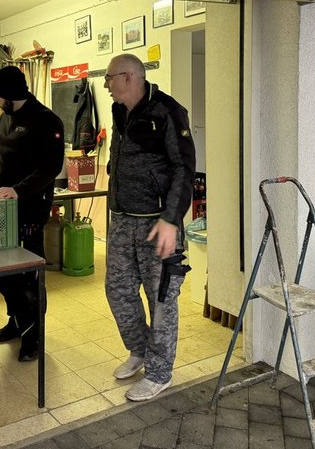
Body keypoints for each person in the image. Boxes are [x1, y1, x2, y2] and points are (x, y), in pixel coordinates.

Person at [103, 54, 195, 401]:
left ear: (128, 77)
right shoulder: (119, 111)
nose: (107, 85)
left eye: (109, 78)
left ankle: (159, 372)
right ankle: (140, 350)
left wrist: (171, 219)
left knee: (161, 300)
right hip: (122, 219)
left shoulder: (168, 112)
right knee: (118, 290)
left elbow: (184, 169)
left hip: (158, 223)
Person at [0, 65, 64, 361]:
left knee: (28, 275)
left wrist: (18, 190)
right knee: (3, 272)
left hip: (29, 210)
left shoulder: (46, 120)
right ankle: (16, 323)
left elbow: (50, 168)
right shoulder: (6, 117)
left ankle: (33, 337)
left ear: (10, 94)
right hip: (1, 209)